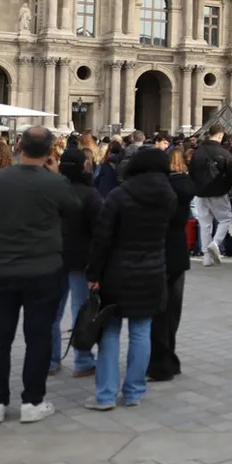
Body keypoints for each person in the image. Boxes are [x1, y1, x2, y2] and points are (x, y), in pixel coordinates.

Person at [0, 127, 76, 424]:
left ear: (19, 145)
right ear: (51, 150)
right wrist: (56, 175)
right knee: (38, 337)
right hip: (44, 271)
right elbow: (77, 212)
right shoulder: (56, 183)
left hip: (1, 271)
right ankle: (32, 401)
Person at [85, 147, 175, 410]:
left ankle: (105, 395)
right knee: (141, 331)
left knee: (110, 332)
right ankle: (134, 392)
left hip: (116, 272)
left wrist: (93, 273)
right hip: (152, 271)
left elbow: (102, 239)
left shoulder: (118, 195)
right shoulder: (168, 196)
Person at [53, 147, 103, 379]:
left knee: (53, 311)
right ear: (84, 166)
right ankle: (82, 361)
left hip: (54, 257)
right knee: (80, 309)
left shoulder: (51, 191)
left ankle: (50, 360)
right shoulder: (90, 194)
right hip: (82, 259)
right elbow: (100, 232)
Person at [148, 148, 195, 382]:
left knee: (157, 311)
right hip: (178, 253)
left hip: (157, 253)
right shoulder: (186, 187)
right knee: (173, 311)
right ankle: (170, 357)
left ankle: (159, 362)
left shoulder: (158, 190)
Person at [189, 124, 232, 266]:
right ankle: (215, 243)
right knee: (225, 219)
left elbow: (191, 172)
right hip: (218, 192)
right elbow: (230, 175)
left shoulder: (197, 152)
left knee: (204, 224)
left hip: (200, 193)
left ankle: (206, 257)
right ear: (220, 135)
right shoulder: (224, 153)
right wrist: (225, 188)